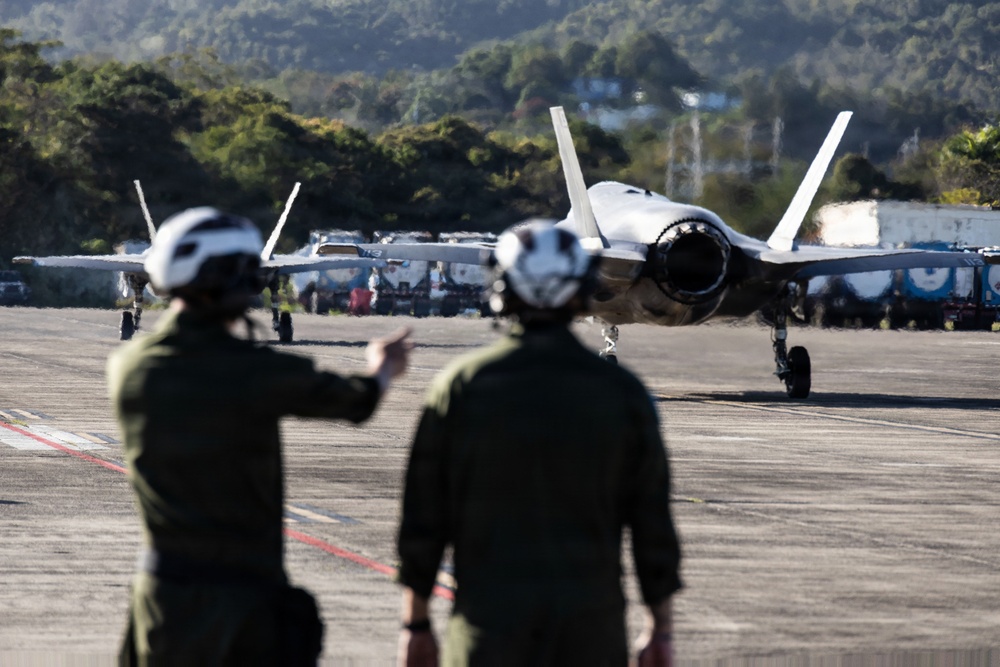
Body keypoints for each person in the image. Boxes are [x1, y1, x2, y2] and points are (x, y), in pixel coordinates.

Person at [108, 207, 411, 666]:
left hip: (161, 599)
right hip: (246, 599)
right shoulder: (256, 372)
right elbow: (356, 401)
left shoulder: (126, 368)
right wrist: (383, 368)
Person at [396, 220, 682, 667]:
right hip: (590, 632)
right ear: (583, 289)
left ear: (504, 289)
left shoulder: (462, 386)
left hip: (487, 630)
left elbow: (424, 518)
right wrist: (659, 630)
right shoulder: (621, 393)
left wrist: (414, 624)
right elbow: (651, 524)